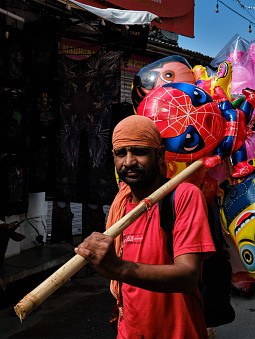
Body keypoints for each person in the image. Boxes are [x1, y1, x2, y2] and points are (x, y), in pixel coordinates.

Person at [75, 115, 216, 338]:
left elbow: (189, 276)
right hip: (129, 332)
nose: (129, 161)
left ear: (159, 155)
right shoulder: (120, 204)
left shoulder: (184, 196)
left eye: (139, 152)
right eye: (121, 154)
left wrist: (118, 268)